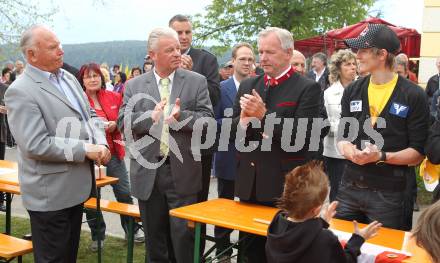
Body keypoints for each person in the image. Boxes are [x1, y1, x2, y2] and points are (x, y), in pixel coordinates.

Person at [4, 25, 110, 263]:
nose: (61, 51)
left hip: (74, 190)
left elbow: (90, 116)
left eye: (59, 45)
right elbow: (36, 144)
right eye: (53, 47)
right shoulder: (20, 91)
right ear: (31, 55)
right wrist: (86, 149)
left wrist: (102, 144)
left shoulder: (68, 78)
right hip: (49, 196)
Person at [117, 27, 213, 263]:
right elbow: (123, 121)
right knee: (154, 241)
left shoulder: (196, 81)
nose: (176, 53)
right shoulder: (134, 86)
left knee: (184, 239)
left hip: (182, 172)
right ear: (153, 54)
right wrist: (151, 116)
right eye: (169, 49)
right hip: (148, 172)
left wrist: (182, 117)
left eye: (178, 49)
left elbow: (208, 121)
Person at [231, 27, 322, 262]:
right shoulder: (249, 84)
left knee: (281, 254)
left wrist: (264, 117)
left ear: (288, 53)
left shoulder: (307, 88)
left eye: (269, 52)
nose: (262, 58)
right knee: (248, 254)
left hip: (284, 188)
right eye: (260, 51)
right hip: (249, 184)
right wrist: (242, 123)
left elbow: (303, 138)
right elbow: (232, 135)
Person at [336, 23, 430, 231]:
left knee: (385, 255)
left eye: (362, 50)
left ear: (382, 55)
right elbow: (343, 137)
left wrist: (381, 156)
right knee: (339, 249)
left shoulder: (414, 95)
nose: (356, 56)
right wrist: (349, 151)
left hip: (391, 196)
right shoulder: (352, 90)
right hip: (349, 188)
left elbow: (417, 154)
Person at [78, 63, 144, 251]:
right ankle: (97, 236)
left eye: (96, 75)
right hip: (88, 157)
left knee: (123, 192)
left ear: (102, 77)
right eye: (88, 76)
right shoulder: (78, 101)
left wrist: (115, 124)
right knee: (90, 198)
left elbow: (125, 120)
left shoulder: (115, 96)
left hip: (113, 154)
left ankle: (132, 230)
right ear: (82, 80)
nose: (93, 79)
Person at [169, 14, 221, 254]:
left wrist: (191, 75)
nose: (183, 37)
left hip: (198, 145)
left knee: (195, 207)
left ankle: (195, 255)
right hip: (167, 146)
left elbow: (215, 97)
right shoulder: (161, 57)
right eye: (178, 32)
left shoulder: (206, 59)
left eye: (187, 32)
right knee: (168, 208)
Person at [266, 161, 382, 263]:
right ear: (316, 209)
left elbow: (297, 234)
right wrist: (358, 238)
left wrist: (321, 223)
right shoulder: (325, 238)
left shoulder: (276, 224)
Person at [214, 42, 255, 259]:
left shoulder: (259, 88)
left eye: (250, 59)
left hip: (253, 160)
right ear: (233, 61)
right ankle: (222, 253)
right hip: (228, 157)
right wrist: (238, 123)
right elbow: (213, 122)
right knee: (225, 210)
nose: (247, 63)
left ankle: (245, 256)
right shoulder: (221, 89)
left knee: (248, 213)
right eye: (243, 59)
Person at [323, 49, 357, 202]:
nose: (352, 67)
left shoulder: (363, 88)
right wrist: (345, 129)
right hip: (335, 152)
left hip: (359, 149)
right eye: (347, 64)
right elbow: (326, 121)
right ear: (338, 68)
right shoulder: (329, 93)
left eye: (354, 64)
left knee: (356, 190)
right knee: (337, 190)